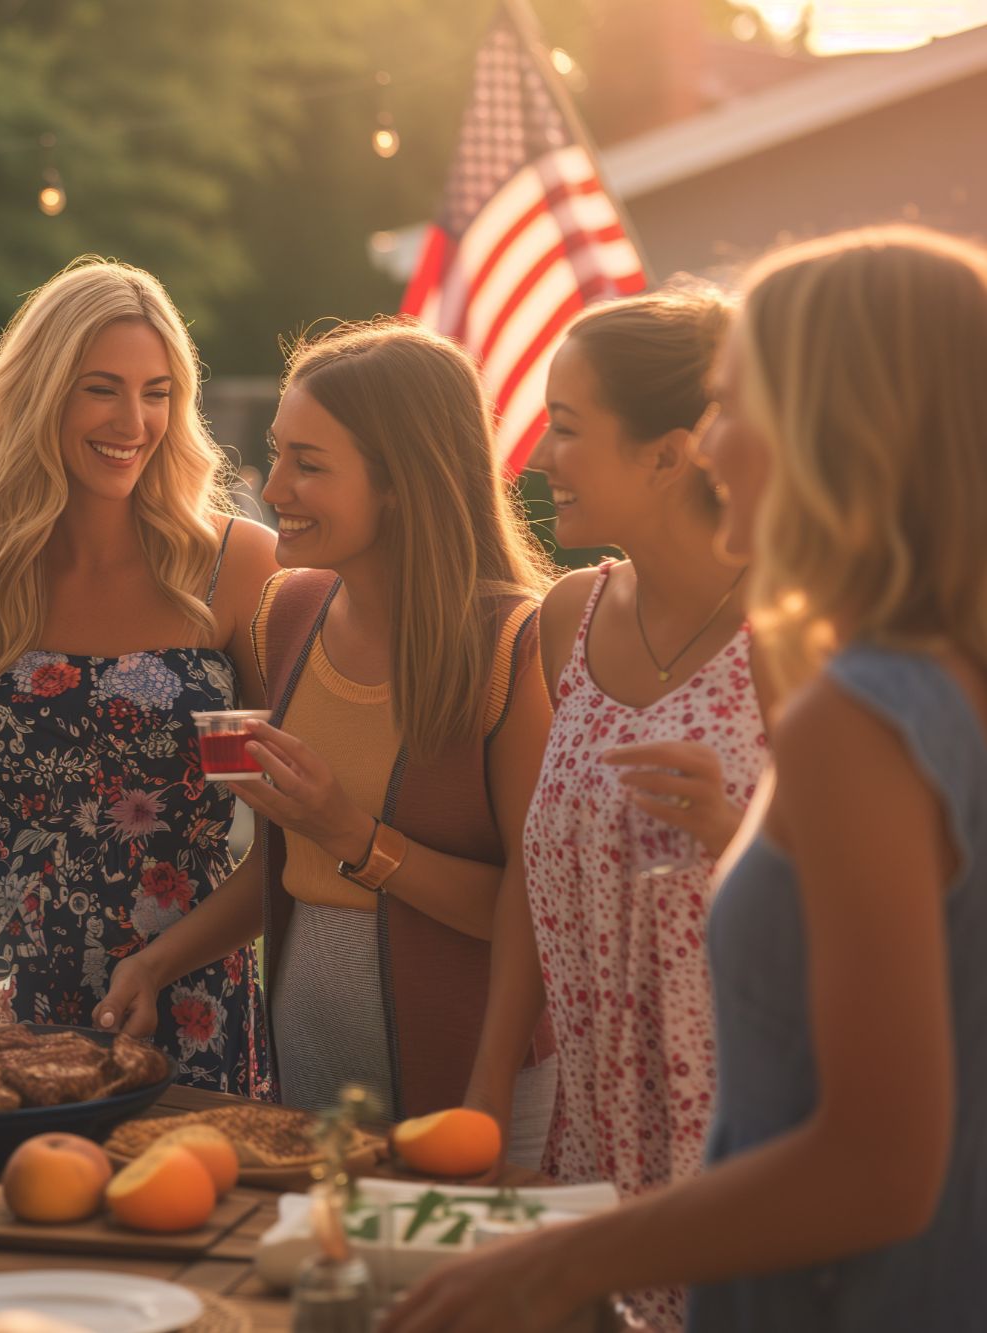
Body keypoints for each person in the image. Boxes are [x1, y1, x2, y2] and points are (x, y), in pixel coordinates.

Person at [385, 225, 987, 1332]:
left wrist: (549, 1262)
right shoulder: (944, 678)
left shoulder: (856, 714)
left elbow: (877, 1162)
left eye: (736, 405)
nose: (711, 448)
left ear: (841, 428)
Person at [97, 321, 556, 1147]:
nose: (272, 489)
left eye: (308, 465)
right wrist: (155, 964)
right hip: (309, 1070)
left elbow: (538, 904)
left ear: (403, 483)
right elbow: (286, 860)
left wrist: (352, 833)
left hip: (483, 1084)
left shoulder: (515, 645)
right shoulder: (287, 611)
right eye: (277, 454)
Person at [0, 258, 281, 1094]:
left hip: (187, 990)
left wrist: (162, 964)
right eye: (102, 389)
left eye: (157, 391)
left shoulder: (237, 566)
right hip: (2, 994)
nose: (134, 420)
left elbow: (286, 829)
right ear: (41, 393)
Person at [460, 289, 771, 1331]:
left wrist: (737, 837)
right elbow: (529, 869)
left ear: (669, 453)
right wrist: (490, 1087)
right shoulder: (564, 619)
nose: (541, 455)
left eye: (568, 426)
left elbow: (877, 907)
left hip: (742, 1132)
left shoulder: (791, 632)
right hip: (589, 1132)